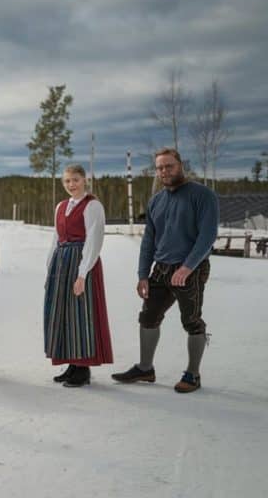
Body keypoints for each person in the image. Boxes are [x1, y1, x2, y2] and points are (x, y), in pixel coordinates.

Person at [112, 147, 219, 393]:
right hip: (160, 269)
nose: (164, 171)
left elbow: (208, 235)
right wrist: (142, 274)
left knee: (191, 321)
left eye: (169, 166)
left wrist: (188, 266)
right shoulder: (156, 201)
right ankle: (145, 368)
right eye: (160, 167)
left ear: (180, 165)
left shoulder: (202, 195)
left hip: (190, 268)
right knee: (148, 318)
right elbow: (149, 240)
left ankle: (193, 375)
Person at [43, 164, 114, 387]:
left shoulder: (92, 205)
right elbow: (55, 239)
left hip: (81, 261)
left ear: (84, 180)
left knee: (81, 313)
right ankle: (72, 364)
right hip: (61, 262)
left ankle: (83, 369)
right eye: (67, 181)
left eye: (75, 180)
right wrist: (49, 271)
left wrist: (83, 274)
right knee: (63, 314)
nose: (71, 185)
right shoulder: (61, 206)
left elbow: (94, 241)